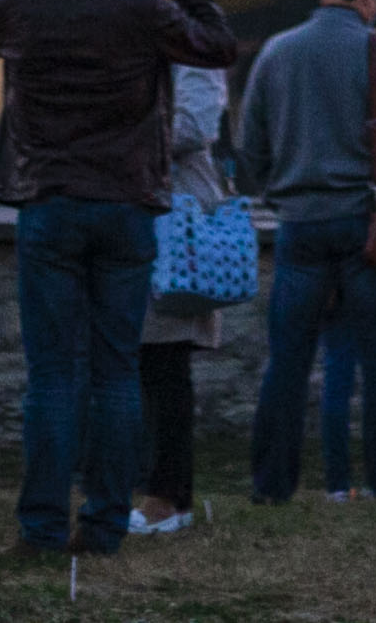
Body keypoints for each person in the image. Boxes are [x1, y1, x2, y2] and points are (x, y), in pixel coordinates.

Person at [0, 0, 237, 557]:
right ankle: (105, 523)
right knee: (116, 372)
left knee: (51, 374)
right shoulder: (140, 11)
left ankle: (42, 527)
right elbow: (219, 44)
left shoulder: (15, 3)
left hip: (48, 203)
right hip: (124, 206)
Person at [234, 0, 376, 513]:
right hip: (366, 223)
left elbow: (251, 148)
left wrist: (282, 186)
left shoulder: (276, 51)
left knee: (287, 361)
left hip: (299, 224)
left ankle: (272, 484)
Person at [133, 53, 230, 535]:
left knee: (165, 361)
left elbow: (194, 126)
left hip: (178, 225)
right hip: (148, 214)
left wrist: (120, 125)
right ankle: (156, 490)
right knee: (147, 363)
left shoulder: (193, 57)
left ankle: (167, 497)